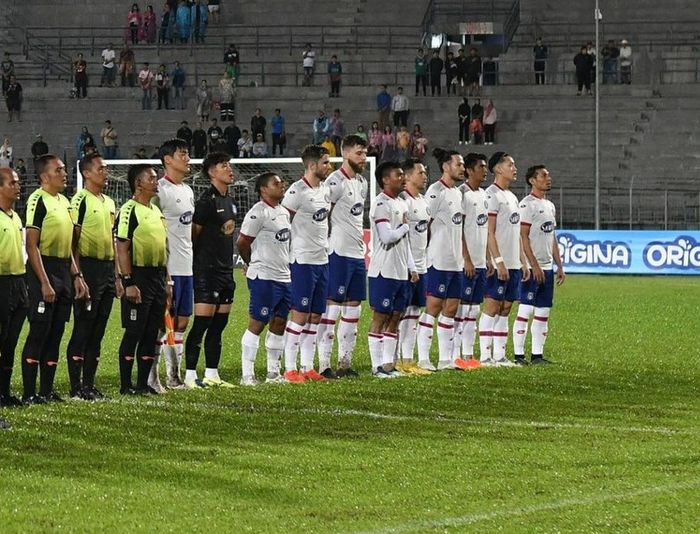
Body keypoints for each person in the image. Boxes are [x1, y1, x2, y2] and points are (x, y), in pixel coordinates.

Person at [22, 155, 88, 404]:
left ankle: (46, 390)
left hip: (63, 270)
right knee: (39, 330)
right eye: (59, 170)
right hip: (44, 269)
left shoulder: (66, 202)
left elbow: (71, 246)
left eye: (64, 169)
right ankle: (29, 393)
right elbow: (31, 246)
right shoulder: (37, 200)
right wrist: (44, 282)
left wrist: (77, 275)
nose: (65, 173)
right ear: (44, 176)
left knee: (57, 331)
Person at [66, 153, 120, 400]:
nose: (105, 172)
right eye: (100, 168)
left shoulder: (109, 202)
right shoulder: (79, 201)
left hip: (107, 270)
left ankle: (89, 384)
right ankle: (76, 387)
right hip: (88, 268)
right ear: (86, 173)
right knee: (84, 327)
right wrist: (78, 274)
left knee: (98, 329)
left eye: (105, 168)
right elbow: (72, 241)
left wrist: (118, 275)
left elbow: (112, 238)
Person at [315, 135, 368, 378]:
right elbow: (324, 216)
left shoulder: (362, 182)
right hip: (337, 253)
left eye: (365, 153)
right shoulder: (334, 182)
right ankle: (324, 364)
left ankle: (345, 363)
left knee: (353, 309)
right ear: (346, 154)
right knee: (331, 310)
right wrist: (324, 246)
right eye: (359, 153)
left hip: (357, 254)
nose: (363, 157)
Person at [184, 152, 237, 388]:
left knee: (219, 325)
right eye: (224, 165)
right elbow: (194, 235)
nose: (229, 169)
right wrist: (201, 264)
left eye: (229, 165)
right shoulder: (206, 201)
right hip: (207, 272)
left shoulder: (230, 200)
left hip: (226, 272)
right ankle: (189, 374)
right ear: (211, 172)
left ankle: (213, 374)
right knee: (202, 324)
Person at [116, 164, 170, 395]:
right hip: (138, 276)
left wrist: (167, 282)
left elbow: (163, 248)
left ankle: (142, 384)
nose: (156, 181)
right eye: (152, 178)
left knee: (151, 331)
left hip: (157, 277)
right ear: (138, 184)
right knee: (134, 331)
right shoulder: (129, 210)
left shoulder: (156, 211)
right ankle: (126, 385)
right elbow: (122, 247)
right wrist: (128, 282)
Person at [281, 145, 333, 382]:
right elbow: (282, 222)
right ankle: (290, 368)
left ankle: (307, 367)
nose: (329, 166)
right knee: (300, 315)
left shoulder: (324, 190)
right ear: (312, 165)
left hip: (322, 260)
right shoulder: (296, 191)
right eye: (325, 162)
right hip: (302, 261)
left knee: (315, 316)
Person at [237, 173, 292, 386]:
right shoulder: (258, 212)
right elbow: (242, 242)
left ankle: (273, 373)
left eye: (281, 183)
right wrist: (252, 264)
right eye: (276, 183)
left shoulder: (284, 212)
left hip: (283, 276)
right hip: (264, 277)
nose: (281, 185)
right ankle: (247, 375)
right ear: (263, 189)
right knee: (257, 323)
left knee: (279, 323)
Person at [415, 148, 465, 371]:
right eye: (458, 164)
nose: (462, 168)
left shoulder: (457, 193)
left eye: (463, 165)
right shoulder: (435, 192)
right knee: (433, 307)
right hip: (438, 260)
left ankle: (446, 360)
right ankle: (424, 358)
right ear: (446, 167)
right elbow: (424, 226)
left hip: (455, 262)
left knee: (452, 309)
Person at [367, 161, 417, 378]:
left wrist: (412, 267)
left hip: (400, 272)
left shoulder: (401, 203)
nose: (403, 178)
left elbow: (404, 243)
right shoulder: (381, 204)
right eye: (398, 175)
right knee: (380, 317)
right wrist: (405, 226)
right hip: (383, 271)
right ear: (385, 180)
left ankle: (389, 365)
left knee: (396, 316)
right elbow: (387, 237)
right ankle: (376, 366)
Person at [479, 152, 529, 366]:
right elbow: (489, 232)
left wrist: (522, 261)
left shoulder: (511, 196)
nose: (514, 168)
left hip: (514, 263)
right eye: (510, 164)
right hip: (500, 263)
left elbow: (516, 233)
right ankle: (485, 356)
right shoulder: (491, 195)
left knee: (506, 309)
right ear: (498, 169)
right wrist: (497, 260)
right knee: (492, 307)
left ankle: (499, 355)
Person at [151, 139, 193, 391]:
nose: (187, 158)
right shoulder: (159, 191)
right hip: (168, 268)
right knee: (162, 322)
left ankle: (174, 377)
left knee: (182, 321)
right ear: (168, 159)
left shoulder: (187, 190)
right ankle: (152, 376)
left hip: (186, 266)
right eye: (183, 154)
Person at [513, 165, 565, 365]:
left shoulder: (550, 205)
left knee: (543, 312)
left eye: (548, 175)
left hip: (547, 267)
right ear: (532, 181)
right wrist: (532, 265)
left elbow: (552, 237)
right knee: (525, 310)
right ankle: (518, 355)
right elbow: (522, 237)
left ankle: (537, 355)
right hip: (531, 267)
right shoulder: (527, 205)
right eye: (544, 175)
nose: (548, 178)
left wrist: (559, 265)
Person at [395, 159, 431, 375]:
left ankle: (408, 359)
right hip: (406, 266)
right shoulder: (402, 201)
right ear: (407, 177)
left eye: (425, 171)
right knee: (400, 313)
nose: (424, 175)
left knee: (415, 312)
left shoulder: (424, 201)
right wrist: (409, 266)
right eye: (420, 172)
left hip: (422, 264)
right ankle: (396, 358)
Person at [454, 153, 489, 367]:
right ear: (469, 170)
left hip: (481, 262)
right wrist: (466, 258)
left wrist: (487, 259)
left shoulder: (483, 194)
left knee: (474, 310)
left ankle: (468, 355)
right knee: (461, 309)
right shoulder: (462, 194)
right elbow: (459, 230)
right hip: (466, 262)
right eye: (481, 167)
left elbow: (482, 228)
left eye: (485, 167)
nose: (485, 171)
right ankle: (456, 354)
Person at [0, 168, 27, 417]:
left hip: (18, 283)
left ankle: (4, 392)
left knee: (10, 343)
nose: (17, 186)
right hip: (2, 283)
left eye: (18, 183)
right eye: (12, 183)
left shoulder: (15, 217)